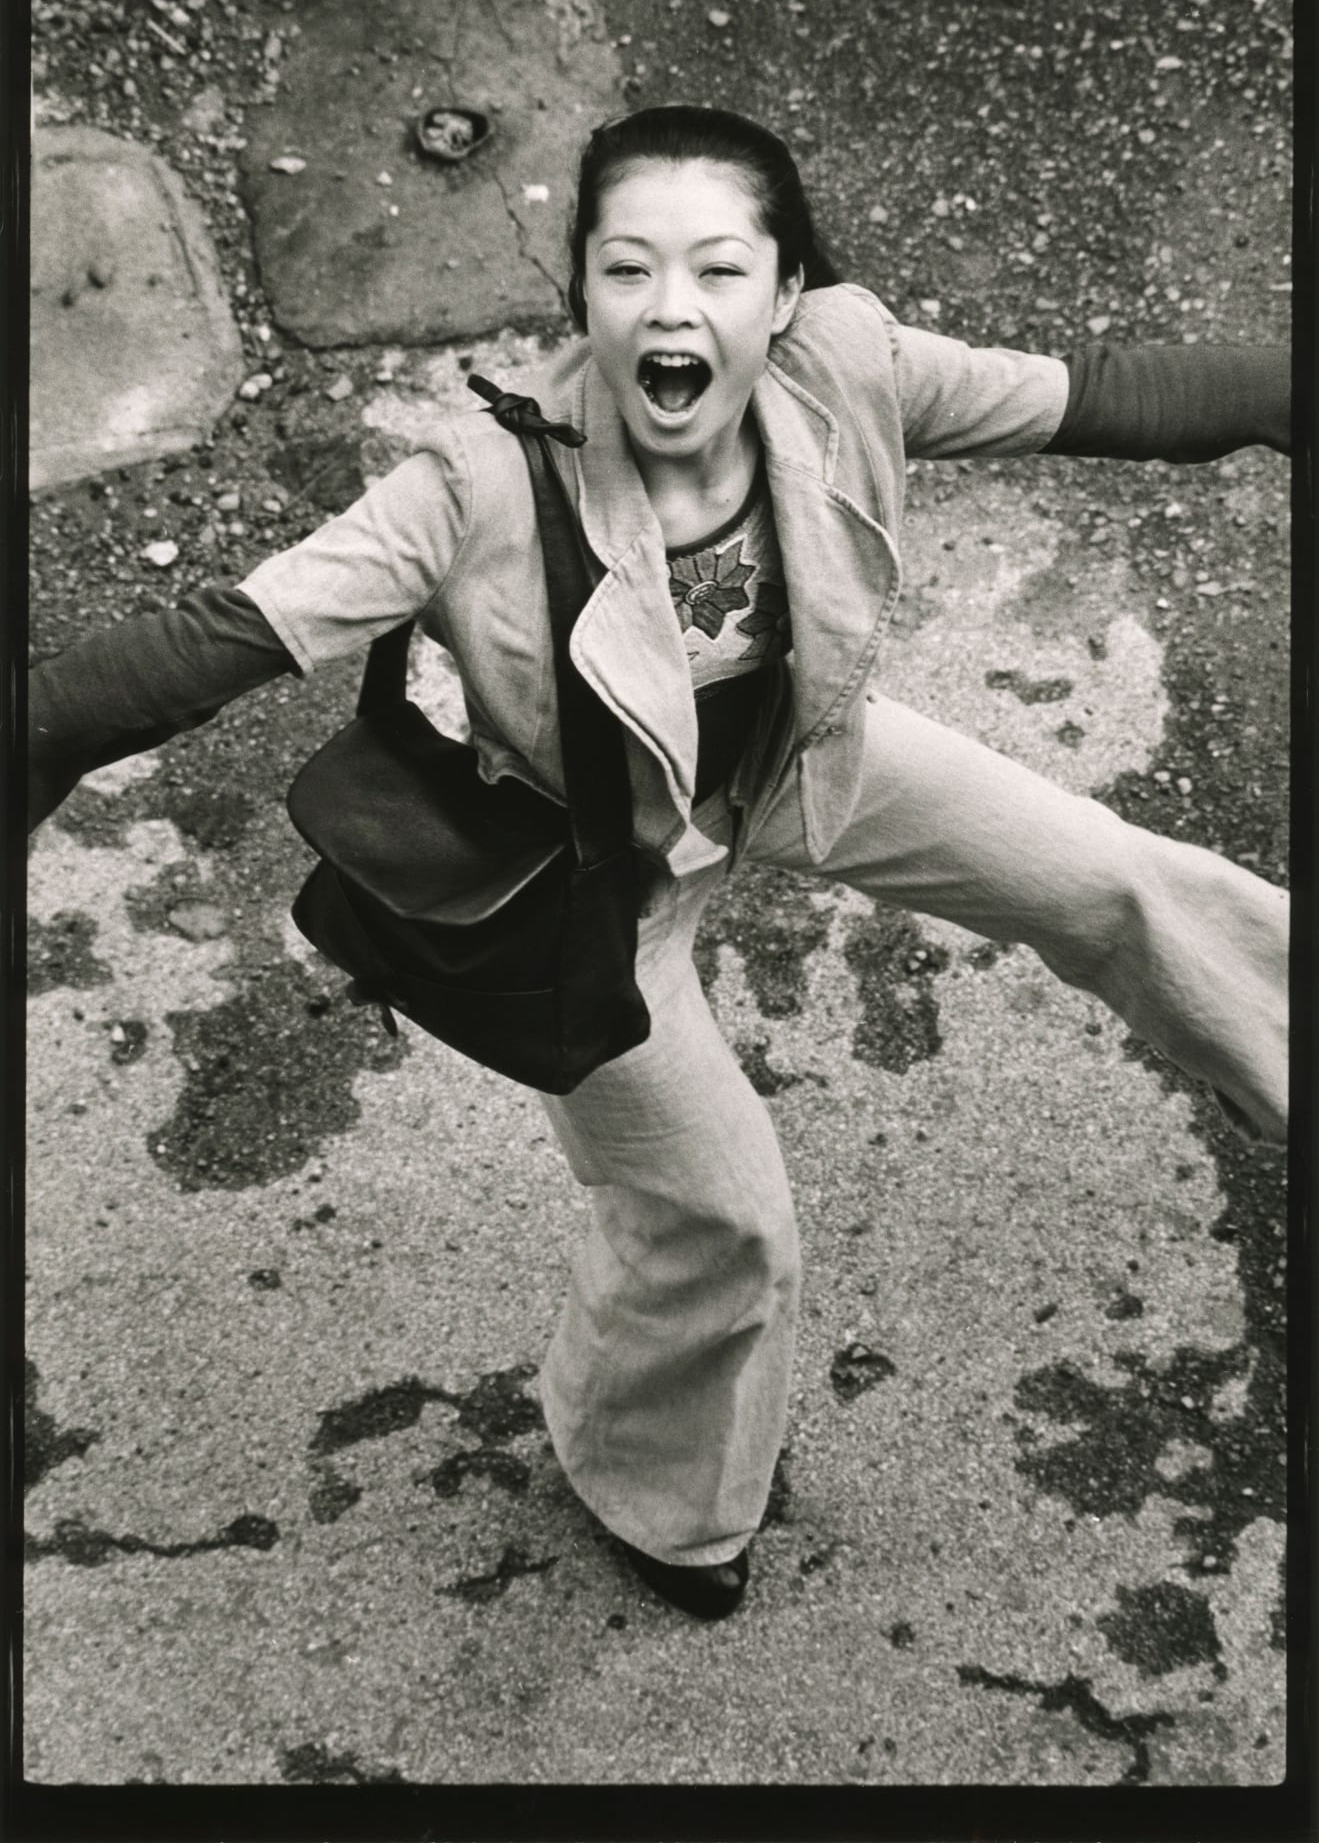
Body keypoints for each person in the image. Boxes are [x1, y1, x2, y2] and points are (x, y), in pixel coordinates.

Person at [28, 105, 1290, 1621]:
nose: (672, 308)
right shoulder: (472, 487)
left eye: (718, 268)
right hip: (589, 882)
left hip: (797, 768)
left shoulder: (851, 363)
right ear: (583, 298)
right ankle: (665, 1502)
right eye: (628, 270)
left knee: (1129, 882)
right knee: (723, 1220)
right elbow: (222, 639)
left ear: (785, 290)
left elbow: (1109, 395)